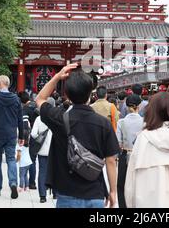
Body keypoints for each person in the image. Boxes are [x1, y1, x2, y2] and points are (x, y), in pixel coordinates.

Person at [35, 64, 120, 208]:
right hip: (95, 193)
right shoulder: (103, 124)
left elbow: (40, 99)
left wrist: (57, 76)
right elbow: (111, 160)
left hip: (67, 193)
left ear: (67, 94)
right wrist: (113, 191)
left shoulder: (59, 118)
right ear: (90, 94)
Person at [116, 94, 144, 208]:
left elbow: (118, 142)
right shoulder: (145, 122)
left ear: (127, 107)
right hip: (140, 156)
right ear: (139, 106)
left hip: (124, 155)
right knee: (139, 184)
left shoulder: (121, 122)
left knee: (121, 185)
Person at [31, 97, 55, 203]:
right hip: (54, 150)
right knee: (55, 171)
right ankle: (55, 193)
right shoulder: (57, 117)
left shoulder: (39, 118)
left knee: (42, 171)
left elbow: (33, 134)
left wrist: (40, 138)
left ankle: (42, 196)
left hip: (42, 150)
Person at [19, 91, 39, 190]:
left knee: (29, 160)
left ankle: (29, 183)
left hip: (30, 137)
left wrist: (24, 141)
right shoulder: (36, 106)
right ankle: (32, 183)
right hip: (39, 136)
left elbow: (25, 127)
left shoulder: (25, 109)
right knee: (34, 160)